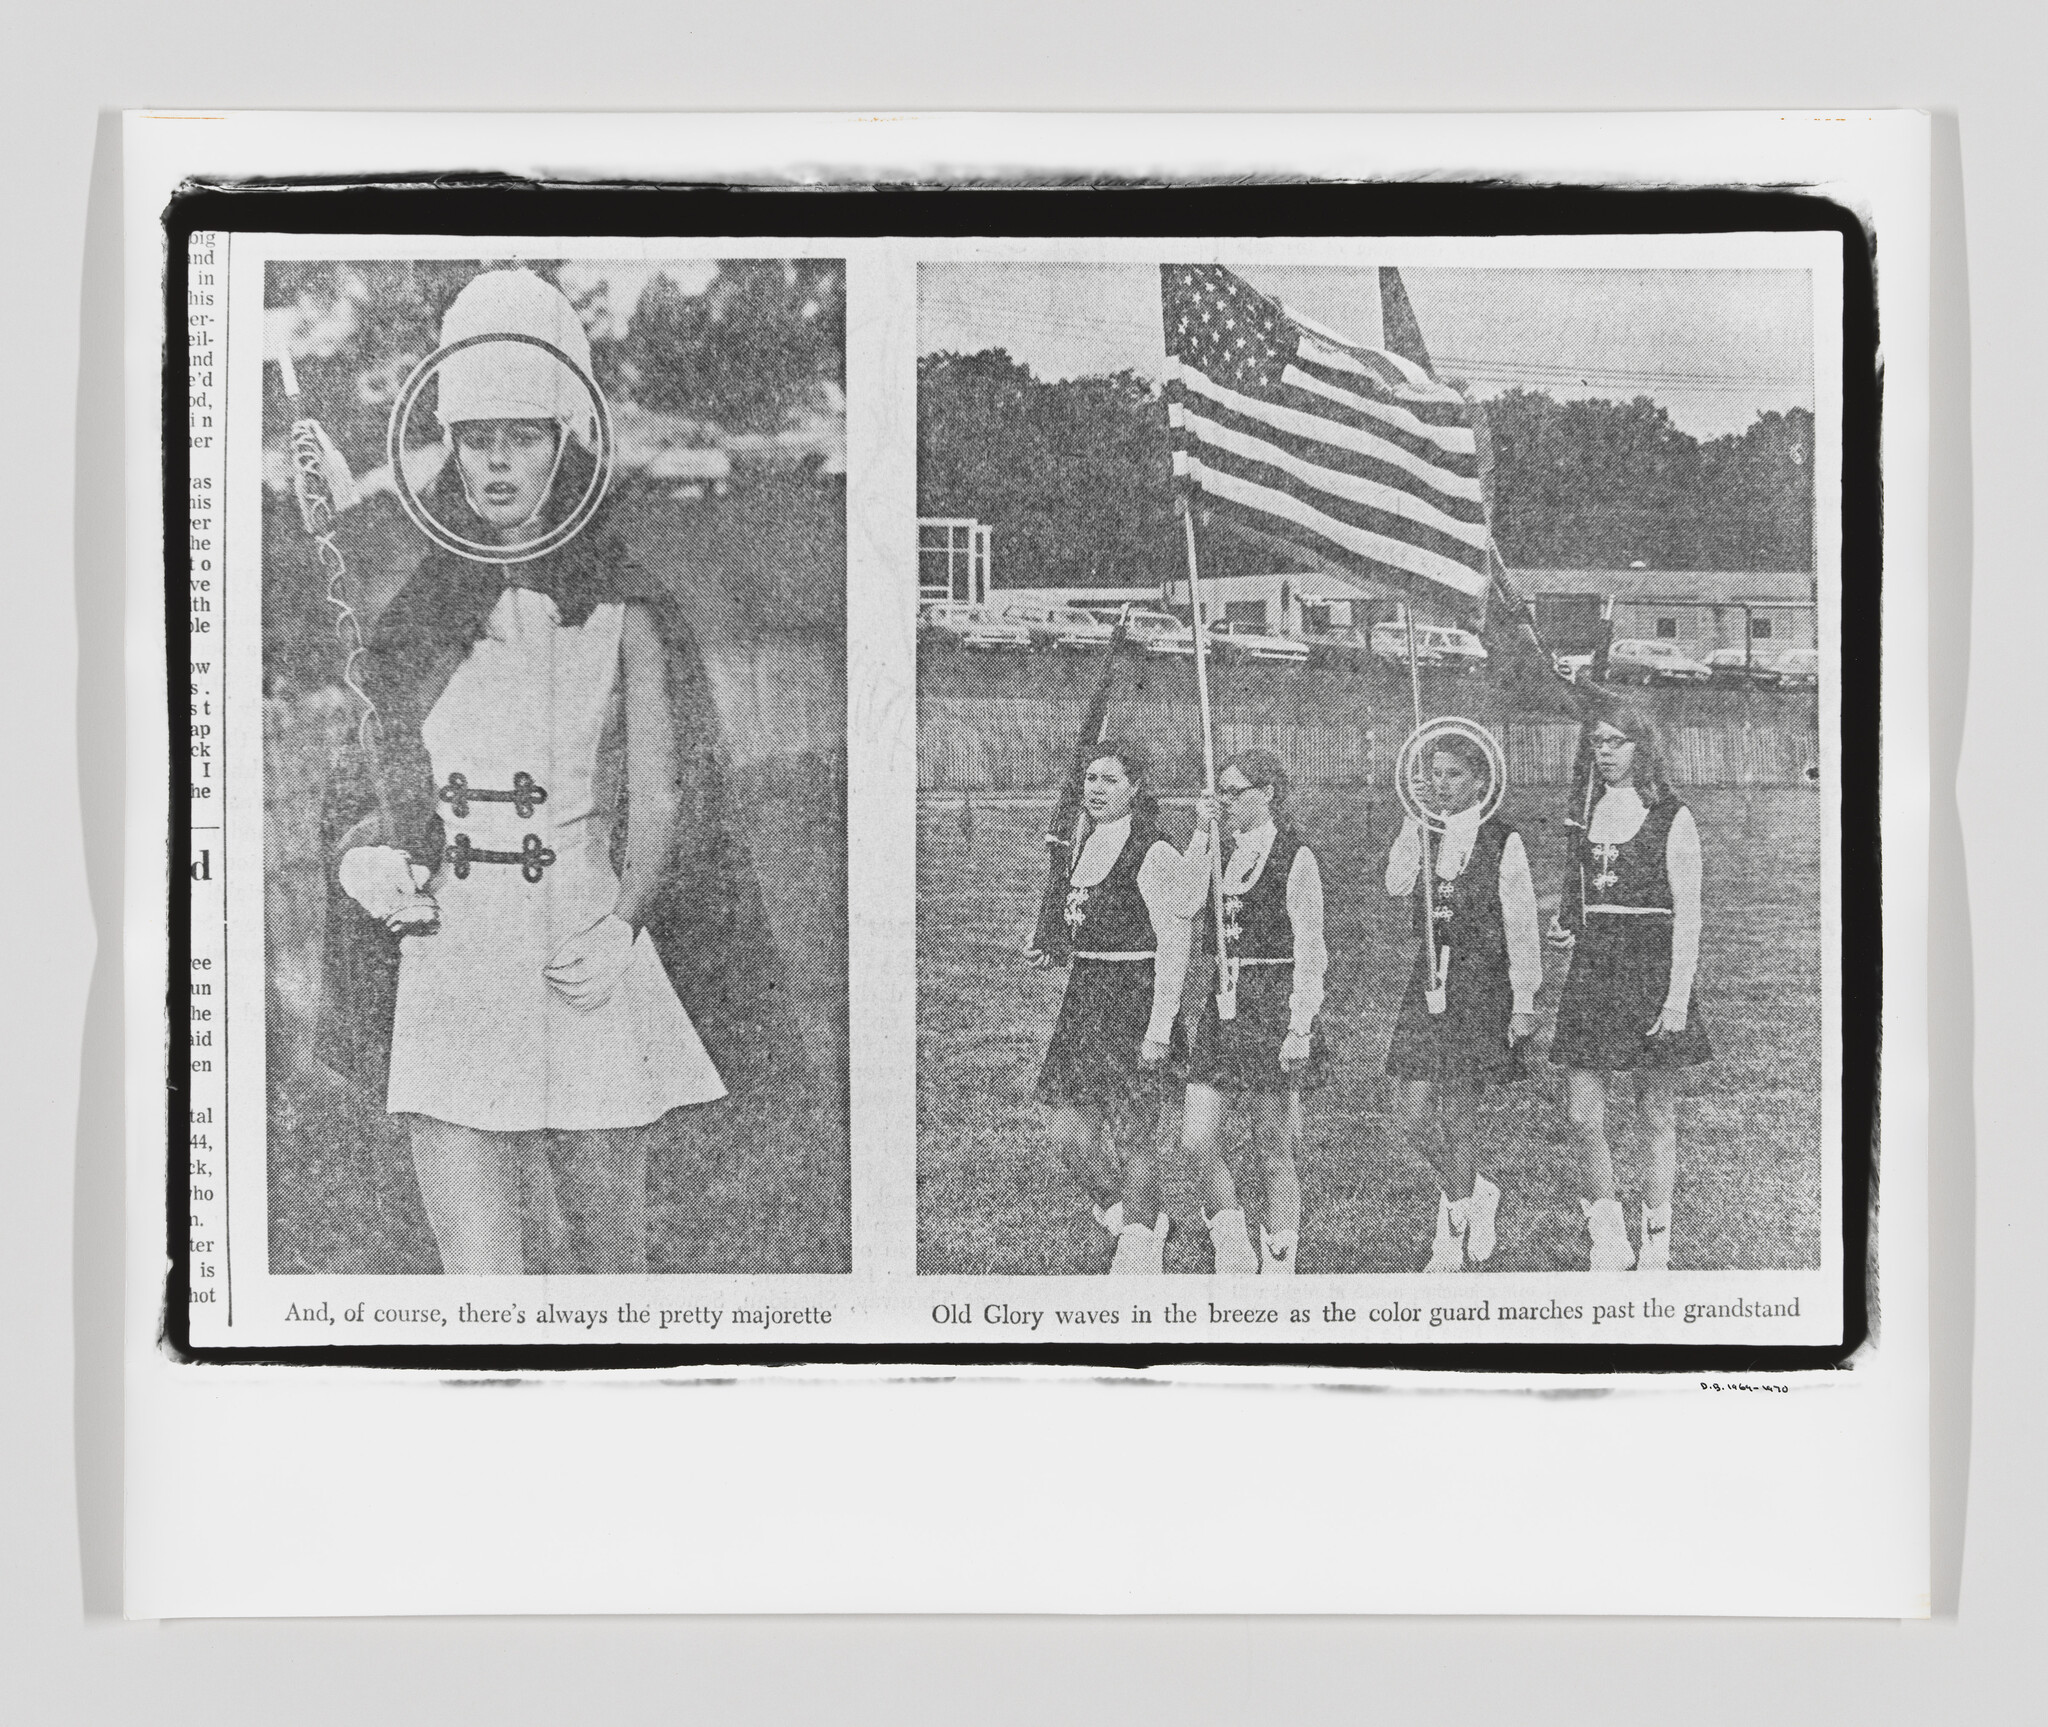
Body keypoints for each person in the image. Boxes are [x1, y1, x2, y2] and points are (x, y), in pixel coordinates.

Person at [315, 268, 791, 1275]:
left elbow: (663, 790)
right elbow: (369, 783)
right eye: (475, 436)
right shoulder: (417, 610)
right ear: (450, 445)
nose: (496, 460)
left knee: (611, 1271)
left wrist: (625, 921)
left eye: (522, 435)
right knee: (478, 1283)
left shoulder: (627, 605)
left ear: (564, 443)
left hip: (581, 940)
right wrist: (368, 860)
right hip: (451, 948)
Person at [1546, 697, 1712, 1271]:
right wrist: (1568, 927)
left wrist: (1677, 999)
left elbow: (1688, 916)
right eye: (1598, 742)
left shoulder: (1672, 816)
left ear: (1643, 747)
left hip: (1649, 969)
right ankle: (1608, 1238)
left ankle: (1656, 1247)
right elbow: (1585, 899)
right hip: (1593, 970)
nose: (1605, 752)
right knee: (1581, 1114)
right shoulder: (1585, 814)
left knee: (1655, 1114)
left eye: (1617, 741)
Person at [1028, 741, 1193, 1274]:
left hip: (1135, 998)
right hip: (1085, 999)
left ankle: (1140, 1248)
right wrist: (1055, 945)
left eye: (1110, 780)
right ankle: (1125, 1209)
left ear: (1135, 787)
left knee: (1137, 1132)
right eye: (1090, 779)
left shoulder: (1154, 850)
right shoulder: (1083, 841)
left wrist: (1160, 1028)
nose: (1095, 789)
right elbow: (1088, 922)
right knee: (1067, 1131)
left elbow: (1175, 943)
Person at [1382, 729, 1542, 1272]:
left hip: (1481, 985)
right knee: (1409, 1116)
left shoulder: (1502, 839)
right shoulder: (1424, 830)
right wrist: (1411, 823)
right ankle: (1476, 1190)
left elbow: (1521, 922)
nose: (1443, 785)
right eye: (1435, 775)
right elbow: (1396, 884)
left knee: (1457, 1115)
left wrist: (1524, 998)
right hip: (1429, 979)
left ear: (1479, 781)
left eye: (1454, 775)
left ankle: (1449, 1234)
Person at [1174, 750, 1328, 1276]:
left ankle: (1279, 1266)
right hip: (1223, 1003)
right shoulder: (1218, 849)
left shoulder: (1295, 856)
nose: (1225, 802)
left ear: (1267, 794)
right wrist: (1202, 832)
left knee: (1274, 1148)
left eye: (1235, 792)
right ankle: (1233, 1242)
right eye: (1220, 792)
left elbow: (1311, 948)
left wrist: (1299, 1026)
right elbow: (1184, 902)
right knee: (1197, 1138)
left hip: (1273, 1005)